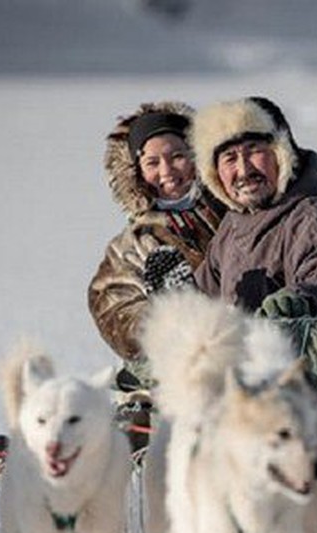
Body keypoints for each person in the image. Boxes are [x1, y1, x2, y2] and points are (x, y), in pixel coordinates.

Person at [189, 96, 317, 319]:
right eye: (230, 158)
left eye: (254, 151)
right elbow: (204, 300)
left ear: (282, 154)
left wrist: (301, 302)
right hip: (259, 350)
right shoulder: (231, 228)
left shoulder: (316, 216)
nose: (243, 170)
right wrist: (177, 299)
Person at [86, 101, 226, 380]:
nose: (167, 171)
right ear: (134, 172)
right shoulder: (131, 245)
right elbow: (113, 307)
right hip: (175, 359)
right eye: (152, 162)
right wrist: (157, 322)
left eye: (177, 156)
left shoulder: (232, 214)